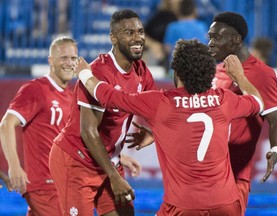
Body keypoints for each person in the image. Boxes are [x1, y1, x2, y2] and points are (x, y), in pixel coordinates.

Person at [75, 39, 263, 216]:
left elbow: (108, 96)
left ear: (177, 72)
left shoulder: (160, 103)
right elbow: (258, 102)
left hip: (182, 205)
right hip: (226, 203)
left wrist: (84, 73)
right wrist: (239, 76)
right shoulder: (224, 99)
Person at [0, 35, 140, 215]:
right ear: (51, 60)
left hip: (64, 180)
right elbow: (6, 125)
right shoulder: (36, 89)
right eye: (63, 58)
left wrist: (118, 158)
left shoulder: (71, 96)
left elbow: (79, 138)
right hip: (46, 184)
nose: (69, 63)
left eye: (73, 58)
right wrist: (14, 166)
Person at [49, 9, 157, 216]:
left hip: (108, 161)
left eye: (140, 32)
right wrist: (114, 177)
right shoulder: (98, 72)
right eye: (129, 33)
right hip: (76, 161)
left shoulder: (141, 70)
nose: (138, 38)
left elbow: (158, 110)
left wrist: (153, 131)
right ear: (113, 38)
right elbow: (88, 131)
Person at [208, 12, 277, 215]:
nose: (210, 43)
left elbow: (276, 122)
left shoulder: (263, 74)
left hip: (235, 176)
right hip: (204, 175)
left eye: (216, 37)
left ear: (236, 39)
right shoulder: (213, 72)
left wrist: (275, 151)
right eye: (209, 37)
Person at [163, 0, 208, 70]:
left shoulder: (173, 27)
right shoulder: (202, 26)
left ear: (178, 11)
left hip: (177, 70)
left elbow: (167, 48)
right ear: (194, 11)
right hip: (199, 71)